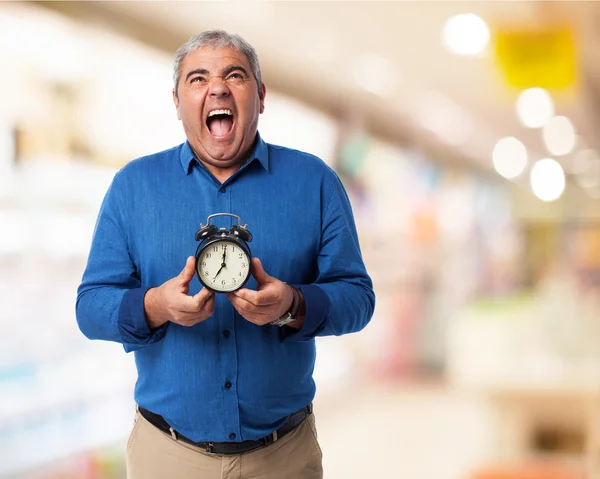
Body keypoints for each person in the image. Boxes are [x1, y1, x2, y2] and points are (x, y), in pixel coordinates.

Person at [76, 29, 375, 479]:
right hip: (168, 455)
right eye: (198, 79)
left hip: (284, 456)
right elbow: (89, 307)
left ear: (260, 95)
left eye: (234, 75)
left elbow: (358, 298)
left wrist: (293, 304)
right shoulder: (133, 187)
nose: (217, 87)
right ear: (177, 101)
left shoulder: (314, 182)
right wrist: (155, 306)